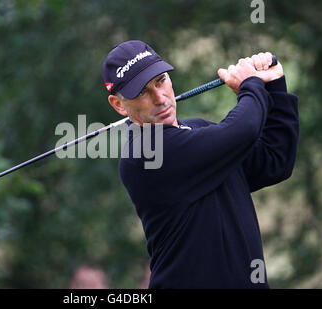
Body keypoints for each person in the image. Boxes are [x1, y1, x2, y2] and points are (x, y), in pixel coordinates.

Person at [102, 40, 299, 288]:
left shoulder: (198, 131)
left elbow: (274, 160)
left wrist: (275, 86)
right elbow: (242, 129)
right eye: (142, 92)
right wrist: (251, 85)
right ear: (118, 105)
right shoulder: (145, 154)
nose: (160, 98)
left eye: (160, 81)